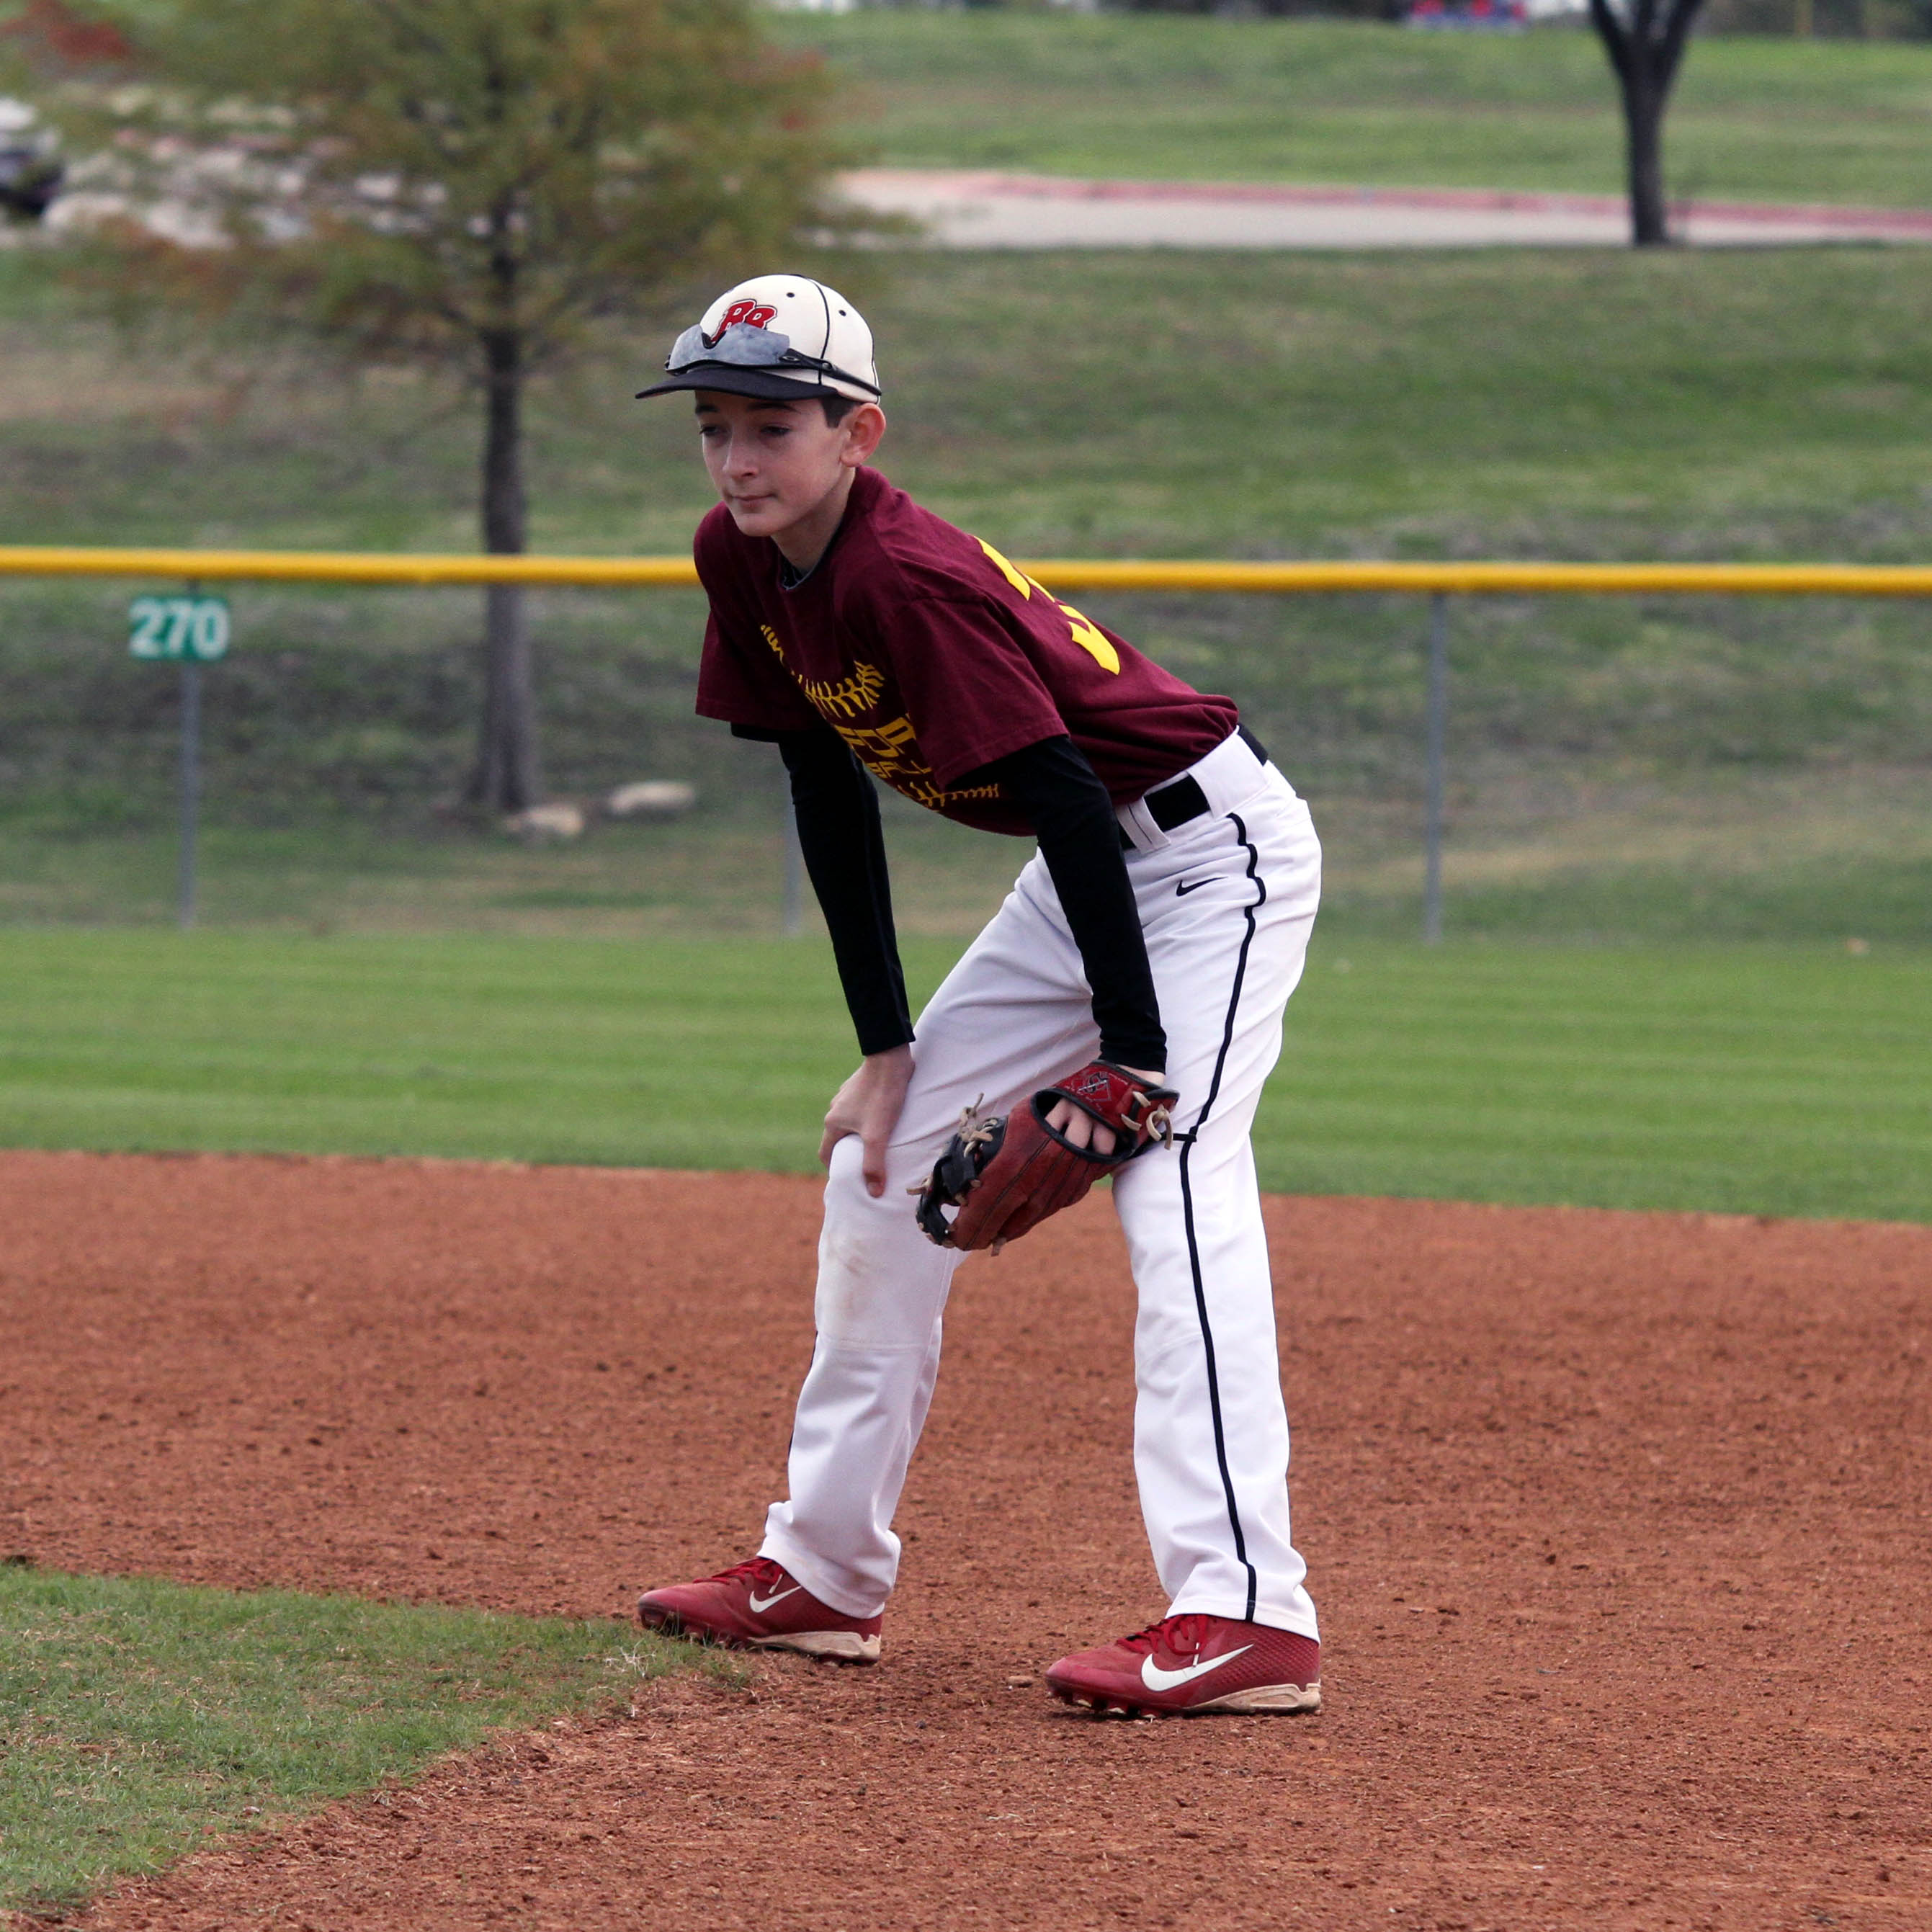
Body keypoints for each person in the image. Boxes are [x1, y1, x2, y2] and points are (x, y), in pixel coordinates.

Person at [633, 274, 1324, 1716]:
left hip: (1203, 862)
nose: (739, 459)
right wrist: (889, 1050)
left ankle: (1248, 1612)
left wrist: (1132, 1066)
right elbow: (823, 777)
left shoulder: (905, 578)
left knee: (1175, 1182)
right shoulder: (742, 556)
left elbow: (1071, 795)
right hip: (1083, 881)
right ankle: (821, 1573)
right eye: (716, 427)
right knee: (880, 1168)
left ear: (857, 432)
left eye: (771, 425)